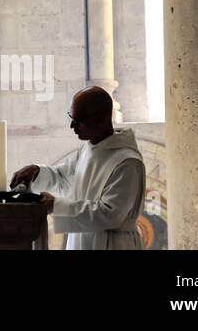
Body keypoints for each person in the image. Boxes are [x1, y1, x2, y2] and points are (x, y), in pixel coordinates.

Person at [10, 86, 146, 249]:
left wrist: (56, 205)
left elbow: (110, 214)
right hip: (81, 240)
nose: (72, 126)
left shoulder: (128, 162)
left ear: (101, 118)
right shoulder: (88, 150)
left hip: (113, 244)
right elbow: (63, 179)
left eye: (78, 120)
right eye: (71, 118)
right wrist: (37, 172)